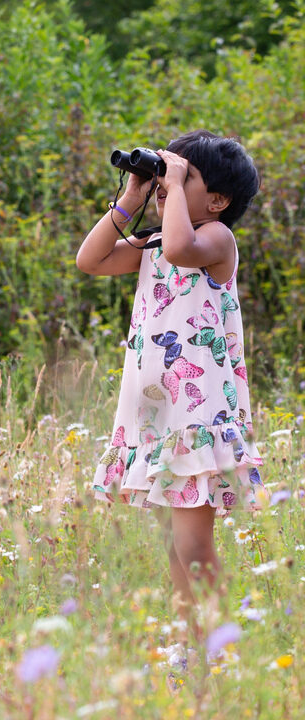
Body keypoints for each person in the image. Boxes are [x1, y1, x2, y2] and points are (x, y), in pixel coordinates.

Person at [76, 130, 263, 622]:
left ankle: (221, 642)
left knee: (193, 546)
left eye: (186, 175)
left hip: (196, 413)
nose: (168, 181)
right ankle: (192, 647)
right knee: (176, 550)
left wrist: (173, 186)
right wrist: (131, 197)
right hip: (158, 413)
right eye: (168, 173)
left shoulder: (216, 240)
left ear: (218, 200)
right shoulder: (155, 242)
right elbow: (90, 260)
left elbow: (183, 248)